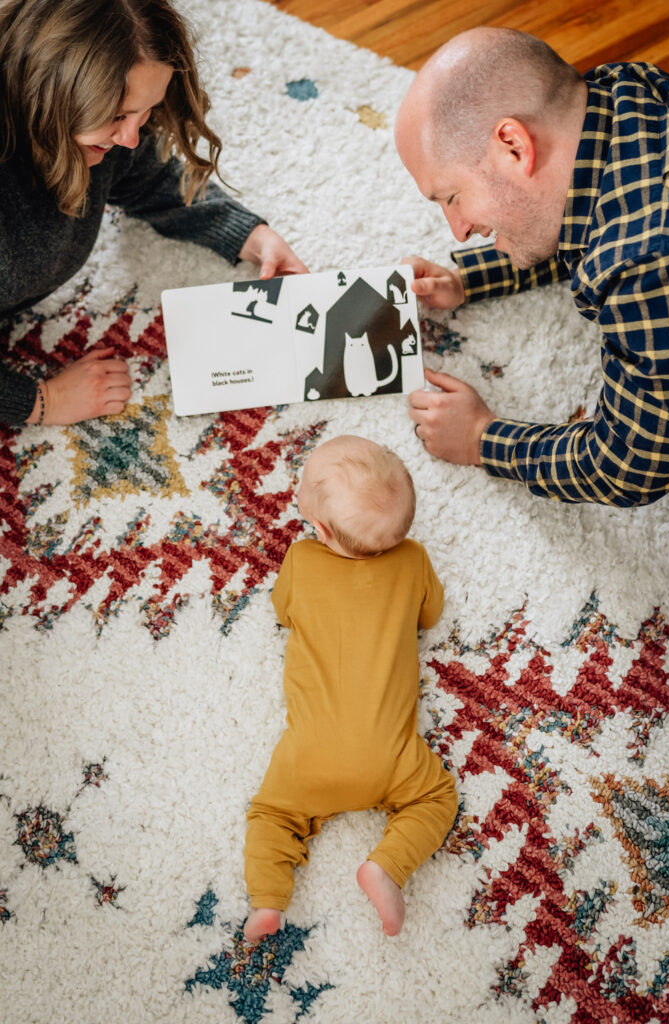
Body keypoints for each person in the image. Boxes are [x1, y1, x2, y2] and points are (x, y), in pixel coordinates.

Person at [395, 27, 669, 507]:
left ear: (513, 146)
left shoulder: (645, 266)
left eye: (452, 197)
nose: (458, 230)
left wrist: (483, 438)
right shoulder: (628, 89)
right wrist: (469, 277)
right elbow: (564, 214)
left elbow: (631, 466)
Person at [0, 0, 307, 428]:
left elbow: (148, 177)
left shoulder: (97, 137)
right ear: (48, 92)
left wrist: (251, 236)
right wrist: (40, 401)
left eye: (145, 113)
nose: (130, 136)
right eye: (117, 116)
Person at [243, 435, 458, 942]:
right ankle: (385, 867)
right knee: (436, 799)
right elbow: (431, 615)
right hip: (391, 756)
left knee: (273, 816)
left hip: (310, 757)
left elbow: (282, 612)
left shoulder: (299, 561)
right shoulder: (413, 560)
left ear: (319, 529)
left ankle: (268, 900)